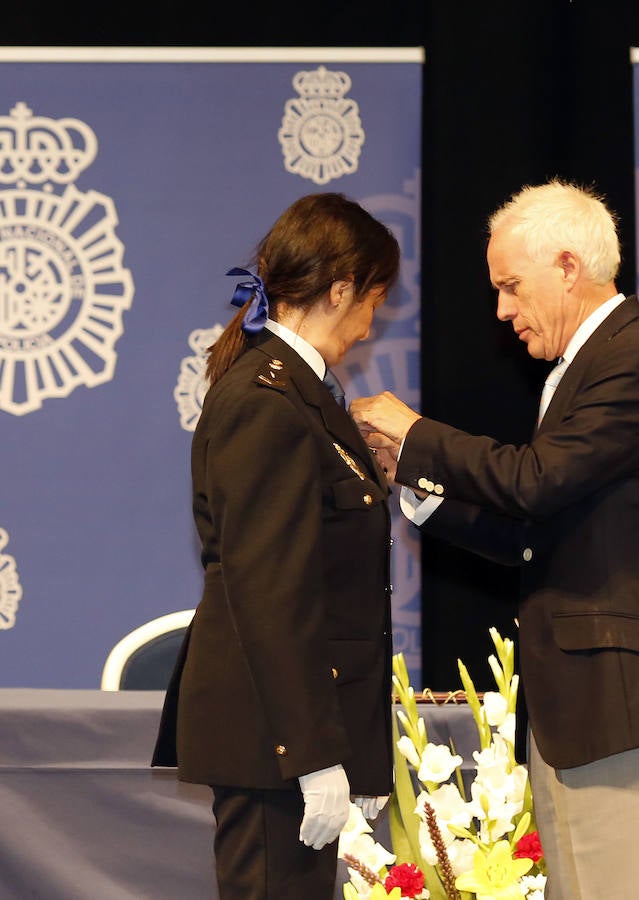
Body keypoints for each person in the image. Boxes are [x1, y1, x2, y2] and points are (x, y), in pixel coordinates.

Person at [350, 179, 639, 899]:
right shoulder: (583, 366)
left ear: (566, 267)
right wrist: (422, 494)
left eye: (510, 287)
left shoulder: (634, 358)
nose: (502, 310)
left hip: (624, 709)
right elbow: (539, 533)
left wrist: (417, 432)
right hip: (583, 709)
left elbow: (537, 482)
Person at [152, 192, 400, 900]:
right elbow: (271, 592)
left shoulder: (301, 391)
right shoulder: (267, 399)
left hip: (286, 733)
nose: (369, 325)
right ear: (341, 289)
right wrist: (313, 757)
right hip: (272, 740)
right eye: (373, 300)